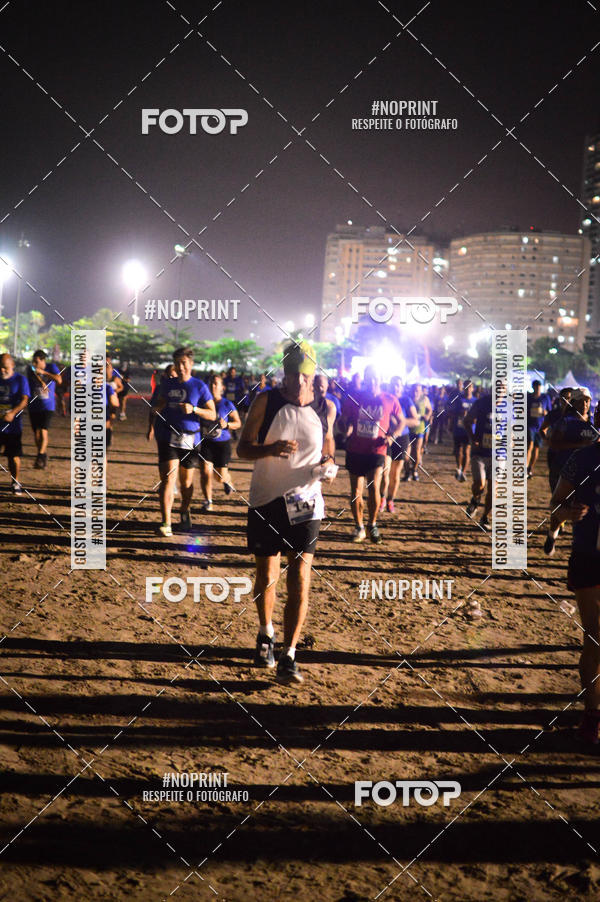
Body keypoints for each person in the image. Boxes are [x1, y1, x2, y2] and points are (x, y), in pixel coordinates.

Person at [237, 341, 336, 685]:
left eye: (303, 375)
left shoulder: (326, 408)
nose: (296, 381)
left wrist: (329, 466)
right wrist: (270, 449)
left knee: (300, 579)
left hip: (307, 504)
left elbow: (329, 451)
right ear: (284, 372)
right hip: (266, 500)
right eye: (291, 374)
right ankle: (266, 634)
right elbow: (243, 448)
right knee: (267, 577)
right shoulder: (267, 400)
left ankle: (289, 655)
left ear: (312, 376)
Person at [549, 407, 600, 744]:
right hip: (589, 558)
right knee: (595, 639)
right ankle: (592, 715)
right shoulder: (582, 459)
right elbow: (553, 511)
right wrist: (568, 513)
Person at [147, 348, 216, 537]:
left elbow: (212, 413)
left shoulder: (200, 386)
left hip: (190, 438)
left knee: (186, 483)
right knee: (168, 479)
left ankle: (185, 510)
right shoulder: (167, 384)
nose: (181, 367)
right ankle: (166, 522)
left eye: (184, 363)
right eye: (177, 363)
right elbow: (160, 402)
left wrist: (194, 409)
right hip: (168, 436)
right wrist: (157, 409)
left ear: (191, 364)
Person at [341, 365, 405, 543]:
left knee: (374, 487)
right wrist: (344, 429)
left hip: (377, 450)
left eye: (376, 378)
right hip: (355, 449)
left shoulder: (390, 399)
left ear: (380, 379)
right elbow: (343, 420)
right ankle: (359, 526)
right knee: (355, 491)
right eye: (369, 378)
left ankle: (373, 524)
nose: (373, 381)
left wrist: (392, 436)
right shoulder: (355, 398)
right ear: (365, 379)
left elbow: (401, 422)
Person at [543, 388, 597, 555]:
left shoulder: (594, 422)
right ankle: (552, 534)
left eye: (587, 400)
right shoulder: (566, 421)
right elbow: (553, 444)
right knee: (559, 507)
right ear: (573, 402)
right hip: (563, 471)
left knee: (582, 509)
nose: (585, 404)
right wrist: (580, 447)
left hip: (587, 474)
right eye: (581, 400)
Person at [200, 373, 242, 508]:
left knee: (219, 477)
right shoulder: (203, 403)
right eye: (211, 383)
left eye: (216, 383)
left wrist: (227, 425)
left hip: (223, 444)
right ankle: (208, 501)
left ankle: (227, 480)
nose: (213, 386)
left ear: (222, 387)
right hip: (206, 442)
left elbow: (238, 423)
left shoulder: (227, 404)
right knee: (206, 471)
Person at [381, 376, 418, 513]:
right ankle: (382, 498)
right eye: (393, 385)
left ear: (402, 387)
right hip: (386, 438)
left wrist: (400, 421)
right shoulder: (384, 398)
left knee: (395, 474)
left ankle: (391, 500)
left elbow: (416, 421)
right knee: (385, 471)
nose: (396, 387)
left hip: (401, 438)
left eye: (398, 385)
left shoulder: (406, 400)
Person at [26, 349, 62, 468]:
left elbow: (59, 380)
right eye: (33, 362)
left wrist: (44, 373)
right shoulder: (30, 370)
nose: (35, 364)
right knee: (36, 433)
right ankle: (42, 453)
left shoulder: (51, 367)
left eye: (37, 362)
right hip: (34, 406)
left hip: (48, 406)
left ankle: (40, 456)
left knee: (43, 431)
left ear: (43, 360)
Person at [0, 353, 29, 494]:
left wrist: (13, 412)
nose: (2, 370)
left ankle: (15, 481)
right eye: (0, 367)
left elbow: (24, 399)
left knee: (13, 456)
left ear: (12, 366)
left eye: (5, 367)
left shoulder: (20, 379)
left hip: (13, 427)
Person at [464, 391, 493, 530]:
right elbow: (467, 421)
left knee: (494, 490)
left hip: (499, 454)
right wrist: (473, 437)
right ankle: (475, 500)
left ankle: (485, 517)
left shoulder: (509, 406)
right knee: (479, 485)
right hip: (480, 452)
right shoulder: (482, 402)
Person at [404, 383, 432, 481]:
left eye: (418, 390)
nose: (416, 392)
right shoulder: (407, 399)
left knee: (416, 451)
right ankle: (407, 472)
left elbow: (430, 410)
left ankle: (415, 470)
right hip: (407, 428)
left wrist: (427, 416)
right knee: (406, 453)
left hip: (419, 428)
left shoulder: (424, 399)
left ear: (421, 391)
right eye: (414, 390)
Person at [450, 380, 476, 482]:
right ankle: (459, 467)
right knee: (458, 450)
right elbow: (452, 412)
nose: (468, 389)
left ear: (472, 389)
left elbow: (479, 415)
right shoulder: (458, 400)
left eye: (470, 387)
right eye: (466, 387)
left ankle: (463, 472)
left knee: (467, 451)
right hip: (458, 428)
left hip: (470, 430)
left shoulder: (475, 401)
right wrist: (460, 413)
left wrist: (473, 418)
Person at [526, 380, 552, 478]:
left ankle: (530, 468)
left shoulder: (545, 398)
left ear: (540, 387)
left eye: (539, 387)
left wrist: (545, 412)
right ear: (533, 387)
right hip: (530, 425)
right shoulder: (528, 398)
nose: (537, 389)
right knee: (530, 446)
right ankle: (525, 467)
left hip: (541, 427)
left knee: (536, 448)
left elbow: (549, 411)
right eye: (536, 387)